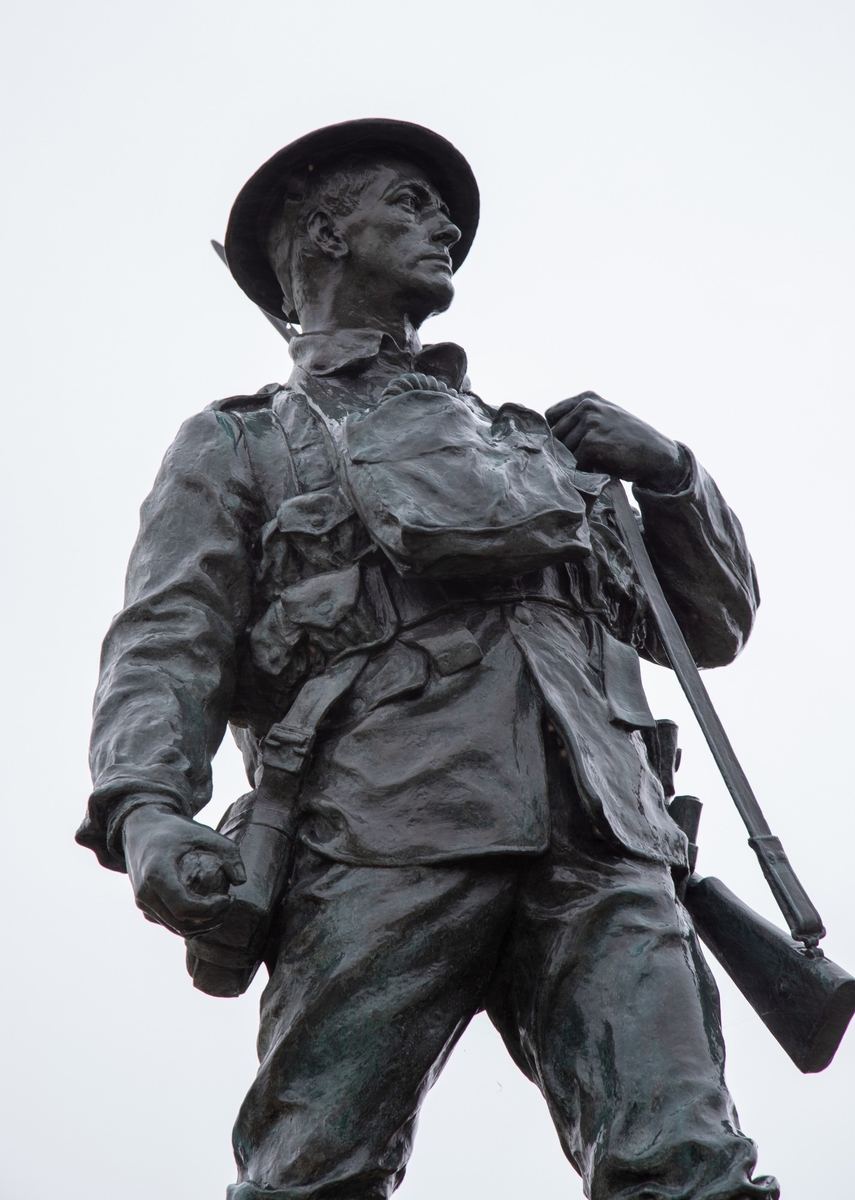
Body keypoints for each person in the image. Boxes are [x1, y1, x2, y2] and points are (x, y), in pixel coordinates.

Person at [77, 119, 779, 1200]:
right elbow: (171, 634)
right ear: (322, 231)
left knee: (693, 1168)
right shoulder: (242, 441)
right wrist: (144, 806)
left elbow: (713, 628)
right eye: (407, 202)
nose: (442, 222)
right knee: (311, 1177)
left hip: (604, 834)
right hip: (378, 828)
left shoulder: (541, 447)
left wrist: (673, 475)